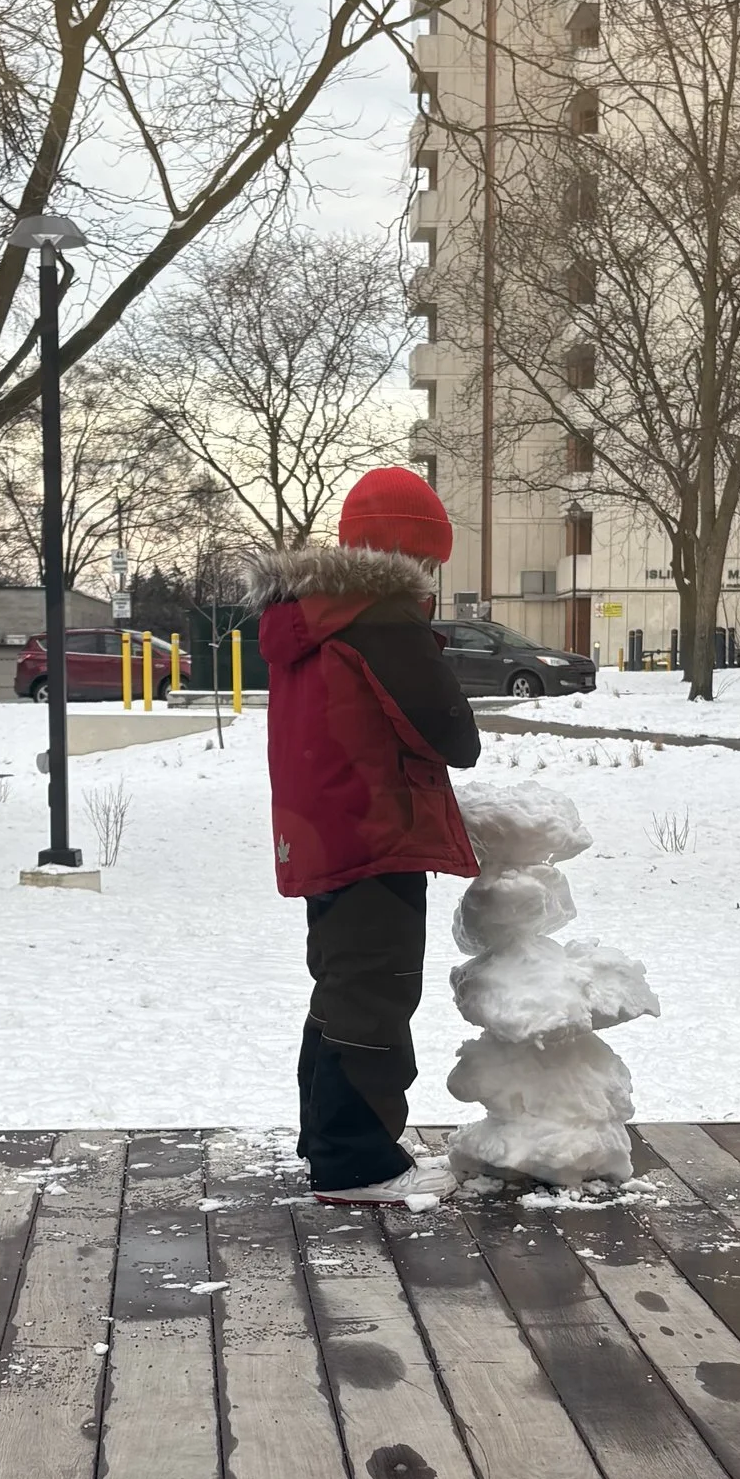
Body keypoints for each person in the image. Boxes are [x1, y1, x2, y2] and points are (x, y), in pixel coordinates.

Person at [259, 468, 481, 1201]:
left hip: (320, 830)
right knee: (375, 994)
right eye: (432, 561)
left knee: (342, 986)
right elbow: (452, 734)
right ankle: (357, 1163)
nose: (433, 578)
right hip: (374, 829)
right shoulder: (380, 616)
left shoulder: (312, 612)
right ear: (409, 551)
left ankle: (328, 1143)